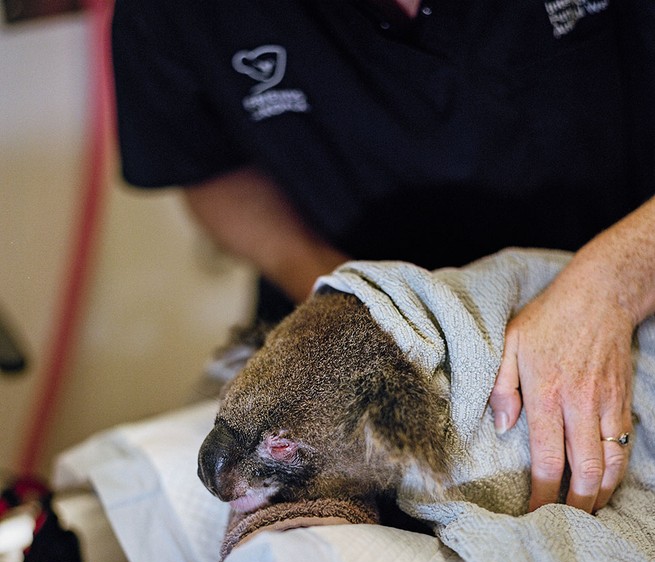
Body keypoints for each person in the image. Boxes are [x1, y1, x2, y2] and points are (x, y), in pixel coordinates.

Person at [111, 0, 655, 514]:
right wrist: (343, 300)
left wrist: (611, 285)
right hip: (332, 305)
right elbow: (210, 170)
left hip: (620, 289)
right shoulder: (174, 15)